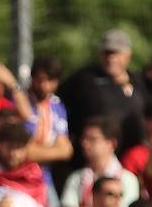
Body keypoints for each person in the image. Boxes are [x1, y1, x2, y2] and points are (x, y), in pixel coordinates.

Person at [59, 29, 143, 162]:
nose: (111, 58)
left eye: (115, 53)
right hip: (87, 160)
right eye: (106, 53)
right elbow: (57, 102)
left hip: (129, 160)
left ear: (127, 55)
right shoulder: (84, 78)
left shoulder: (138, 82)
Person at [60, 117, 140, 207]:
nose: (85, 144)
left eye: (92, 139)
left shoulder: (127, 179)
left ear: (111, 143)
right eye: (84, 139)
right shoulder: (76, 178)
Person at [19, 55, 72, 207]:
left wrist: (35, 150)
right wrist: (49, 150)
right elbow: (23, 152)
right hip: (21, 178)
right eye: (41, 80)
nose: (45, 86)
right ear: (32, 77)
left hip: (44, 179)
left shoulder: (56, 105)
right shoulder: (21, 102)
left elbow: (66, 150)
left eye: (51, 81)